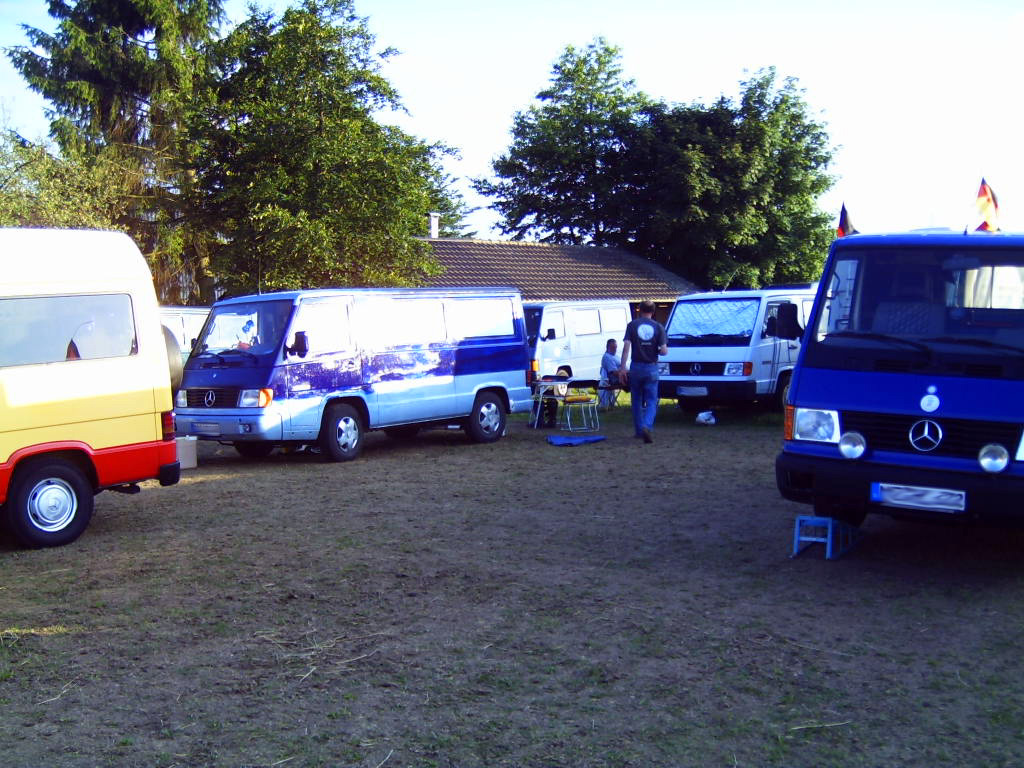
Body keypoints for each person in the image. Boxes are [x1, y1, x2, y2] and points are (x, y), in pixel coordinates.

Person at [618, 300, 668, 443]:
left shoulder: (632, 325)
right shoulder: (659, 327)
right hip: (651, 367)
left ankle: (639, 431)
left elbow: (626, 347)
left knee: (636, 400)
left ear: (639, 310)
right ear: (653, 311)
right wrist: (656, 349)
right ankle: (647, 425)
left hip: (636, 367)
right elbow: (664, 351)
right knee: (652, 400)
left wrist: (622, 368)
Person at [599, 338, 620, 408]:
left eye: (615, 347)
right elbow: (614, 372)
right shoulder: (607, 357)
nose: (615, 349)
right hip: (615, 380)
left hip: (622, 376)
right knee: (638, 381)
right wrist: (626, 374)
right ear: (607, 347)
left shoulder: (615, 356)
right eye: (613, 347)